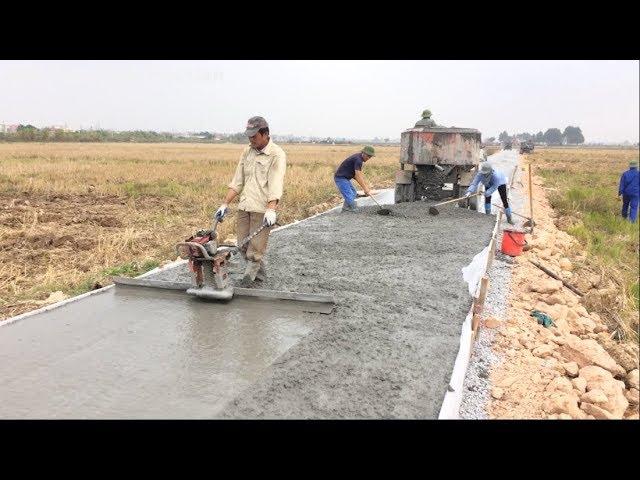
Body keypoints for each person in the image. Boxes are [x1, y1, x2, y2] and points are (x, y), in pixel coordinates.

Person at [214, 116, 287, 285]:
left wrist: (271, 209)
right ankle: (261, 279)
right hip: (245, 205)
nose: (251, 140)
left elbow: (276, 182)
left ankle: (248, 281)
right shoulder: (247, 151)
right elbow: (237, 181)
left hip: (262, 209)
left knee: (255, 249)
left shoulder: (276, 154)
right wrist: (225, 203)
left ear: (265, 134)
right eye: (249, 136)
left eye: (254, 136)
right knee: (242, 245)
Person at [334, 146, 375, 212]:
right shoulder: (358, 160)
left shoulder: (358, 158)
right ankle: (354, 210)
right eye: (368, 156)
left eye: (370, 157)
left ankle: (345, 208)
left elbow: (356, 176)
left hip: (345, 178)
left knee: (353, 193)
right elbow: (358, 176)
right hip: (340, 178)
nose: (368, 158)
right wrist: (365, 188)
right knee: (349, 195)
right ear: (363, 153)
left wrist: (365, 188)